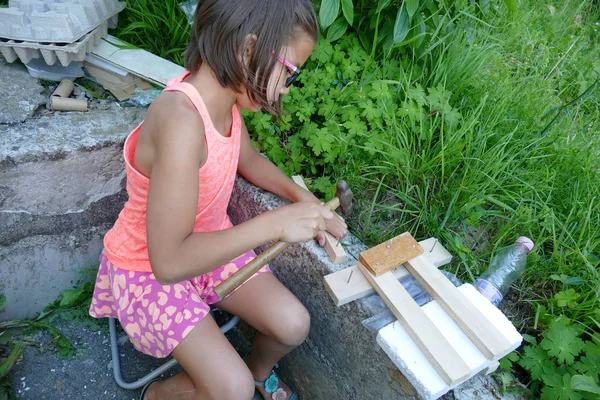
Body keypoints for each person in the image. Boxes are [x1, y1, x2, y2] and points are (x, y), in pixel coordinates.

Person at [89, 1, 347, 399]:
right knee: (231, 390)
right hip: (148, 270)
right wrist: (275, 224)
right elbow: (170, 262)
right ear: (247, 49)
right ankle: (158, 394)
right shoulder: (180, 120)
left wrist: (306, 201)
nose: (284, 89)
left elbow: (248, 160)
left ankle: (258, 373)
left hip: (209, 245)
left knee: (293, 324)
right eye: (289, 73)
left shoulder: (223, 99)